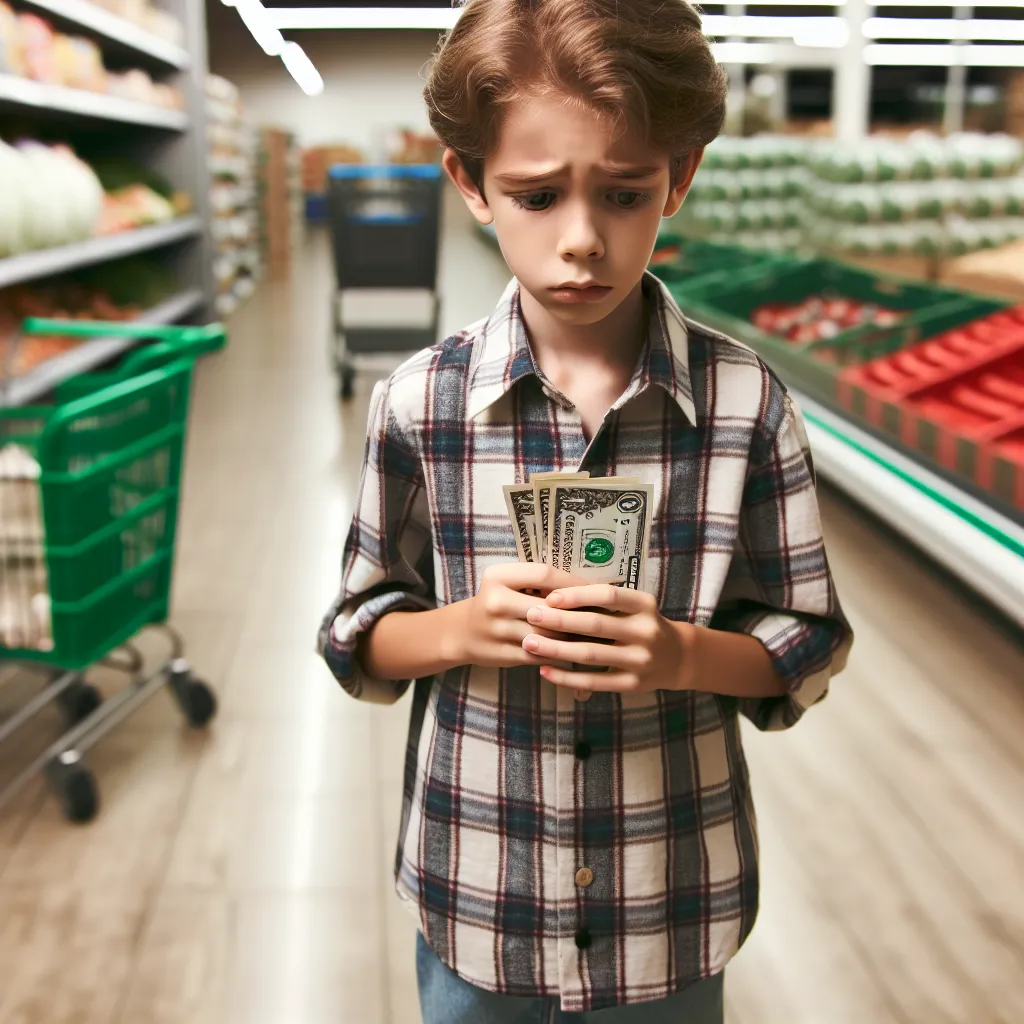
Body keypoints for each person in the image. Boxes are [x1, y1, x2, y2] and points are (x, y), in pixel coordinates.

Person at [318, 0, 854, 1019]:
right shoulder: (419, 404)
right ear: (468, 184)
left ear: (678, 177)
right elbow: (354, 633)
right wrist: (457, 629)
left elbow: (807, 638)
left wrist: (683, 655)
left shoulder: (744, 406)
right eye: (533, 194)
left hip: (671, 901)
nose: (581, 241)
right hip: (480, 897)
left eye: (622, 193)